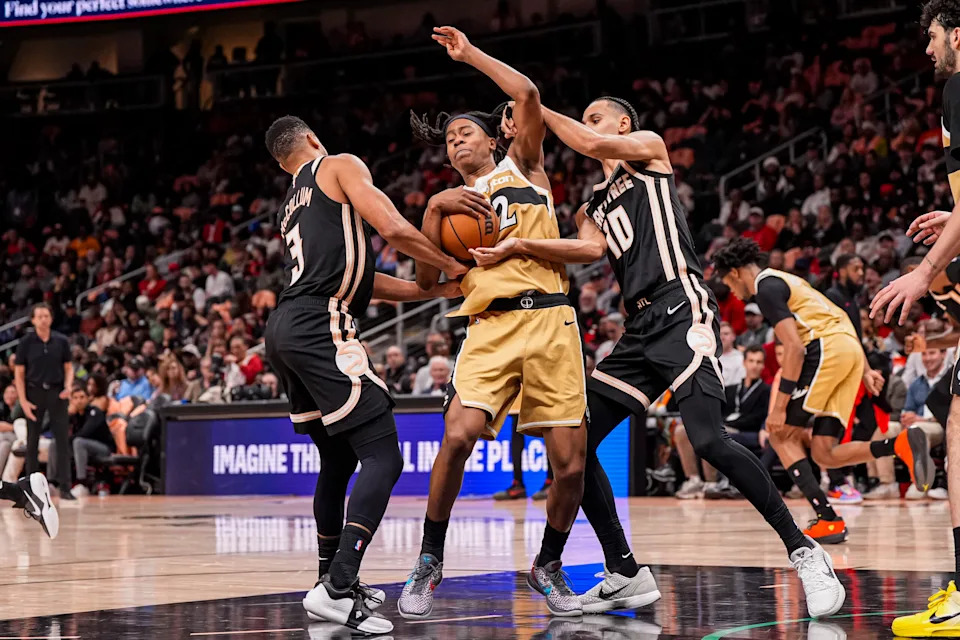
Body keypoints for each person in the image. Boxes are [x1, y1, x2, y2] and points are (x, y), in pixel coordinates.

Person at [476, 92, 845, 617]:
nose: (588, 125)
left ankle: (805, 552)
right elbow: (588, 250)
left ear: (624, 124)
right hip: (639, 328)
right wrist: (519, 246)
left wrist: (534, 110)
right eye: (587, 118)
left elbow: (589, 143)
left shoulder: (649, 152)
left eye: (597, 117)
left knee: (708, 439)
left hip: (681, 306)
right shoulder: (590, 205)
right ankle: (624, 570)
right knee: (574, 443)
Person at [402, 27, 591, 619]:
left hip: (551, 321)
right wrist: (432, 209)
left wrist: (470, 55)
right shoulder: (447, 206)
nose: (456, 141)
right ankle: (429, 558)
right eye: (449, 139)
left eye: (466, 132)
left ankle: (548, 564)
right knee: (457, 436)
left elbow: (528, 93)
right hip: (489, 327)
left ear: (492, 139)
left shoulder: (525, 168)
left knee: (571, 466)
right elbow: (427, 282)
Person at [262, 114, 472, 635]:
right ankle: (337, 587)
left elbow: (361, 277)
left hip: (285, 328)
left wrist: (430, 290)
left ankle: (329, 579)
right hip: (321, 322)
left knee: (337, 460)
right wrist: (453, 267)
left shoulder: (292, 205)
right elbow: (393, 227)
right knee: (384, 455)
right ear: (314, 138)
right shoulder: (338, 164)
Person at [714, 238, 931, 545]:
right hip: (847, 351)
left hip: (826, 351)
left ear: (735, 273)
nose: (733, 293)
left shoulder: (766, 287)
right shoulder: (790, 281)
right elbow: (841, 318)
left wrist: (779, 408)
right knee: (823, 453)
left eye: (728, 284)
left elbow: (794, 348)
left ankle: (828, 518)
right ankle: (900, 445)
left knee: (780, 434)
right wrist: (864, 368)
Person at [875, 4, 960, 633]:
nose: (927, 50)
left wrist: (925, 271)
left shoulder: (959, 87)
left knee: (959, 428)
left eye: (931, 37)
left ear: (957, 35)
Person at [674, 345, 770, 500]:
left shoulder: (766, 391)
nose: (754, 366)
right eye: (751, 361)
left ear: (763, 365)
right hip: (724, 426)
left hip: (743, 430)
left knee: (711, 433)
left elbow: (757, 418)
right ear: (744, 363)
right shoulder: (732, 389)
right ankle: (693, 479)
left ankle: (712, 482)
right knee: (681, 430)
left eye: (758, 362)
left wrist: (725, 424)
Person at [14, 303, 74, 501]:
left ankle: (65, 487)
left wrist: (68, 387)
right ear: (33, 320)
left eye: (46, 315)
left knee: (62, 441)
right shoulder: (26, 342)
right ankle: (32, 489)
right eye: (39, 316)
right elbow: (19, 374)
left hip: (57, 392)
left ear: (51, 318)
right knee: (32, 442)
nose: (43, 319)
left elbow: (68, 367)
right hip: (34, 392)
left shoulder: (61, 340)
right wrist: (23, 400)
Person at [68, 385, 115, 496]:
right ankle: (54, 483)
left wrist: (68, 440)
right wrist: (67, 415)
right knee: (55, 443)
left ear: (88, 398)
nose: (79, 401)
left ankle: (82, 483)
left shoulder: (95, 412)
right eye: (75, 398)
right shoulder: (74, 415)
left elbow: (85, 433)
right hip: (83, 447)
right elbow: (54, 429)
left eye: (82, 397)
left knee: (78, 442)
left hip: (104, 448)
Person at [718, 322, 745, 386]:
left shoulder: (741, 358)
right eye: (720, 334)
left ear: (733, 337)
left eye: (726, 334)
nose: (722, 337)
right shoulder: (712, 358)